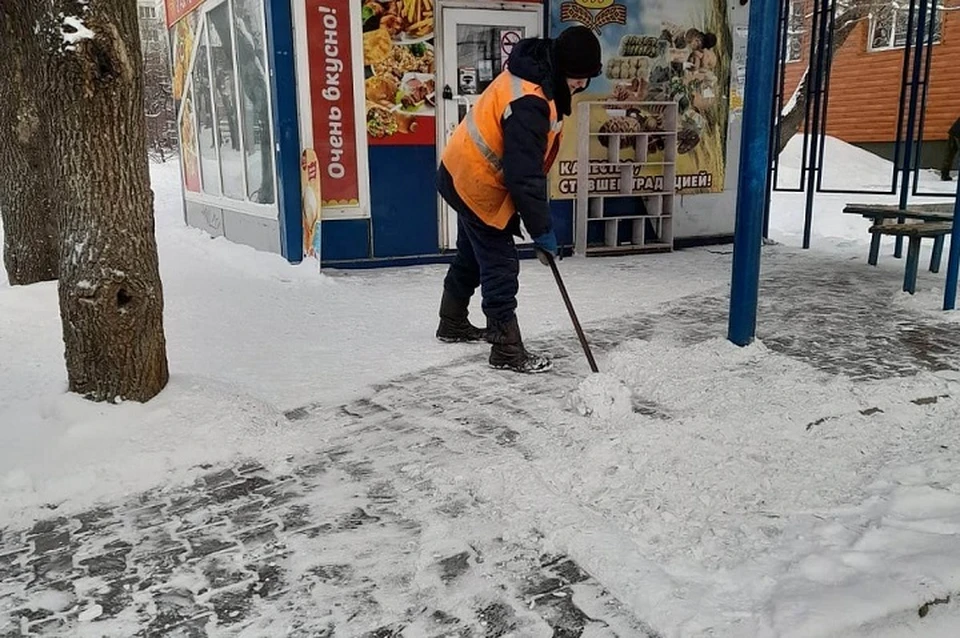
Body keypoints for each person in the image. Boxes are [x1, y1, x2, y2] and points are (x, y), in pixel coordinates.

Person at [434, 26, 602, 374]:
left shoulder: (537, 71)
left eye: (586, 80)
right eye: (578, 79)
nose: (580, 86)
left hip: (459, 171)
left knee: (472, 253)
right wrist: (542, 229)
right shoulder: (530, 101)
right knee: (499, 264)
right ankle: (506, 348)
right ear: (563, 68)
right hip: (475, 182)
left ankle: (451, 322)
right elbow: (524, 176)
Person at [942, 116, 960, 181]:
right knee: (949, 154)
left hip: (953, 132)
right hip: (958, 133)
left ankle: (944, 174)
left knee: (949, 154)